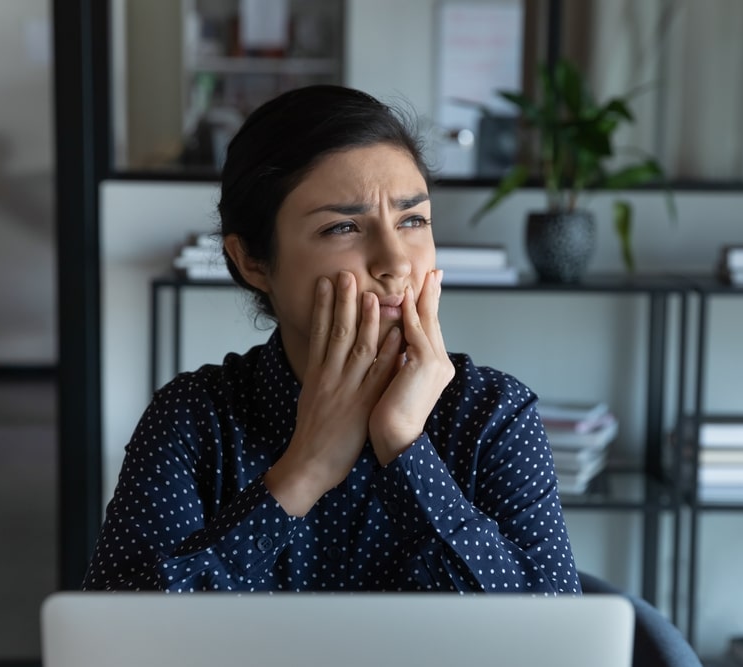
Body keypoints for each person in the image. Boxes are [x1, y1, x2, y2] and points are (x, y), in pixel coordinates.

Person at [83, 85, 581, 594]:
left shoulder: (493, 415)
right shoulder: (193, 420)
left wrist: (405, 444)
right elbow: (114, 633)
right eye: (343, 227)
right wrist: (304, 471)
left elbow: (553, 634)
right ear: (252, 260)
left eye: (413, 220)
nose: (395, 263)